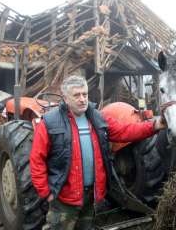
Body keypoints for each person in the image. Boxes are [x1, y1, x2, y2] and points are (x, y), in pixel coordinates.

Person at [30, 75, 166, 230]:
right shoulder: (50, 122)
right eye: (76, 95)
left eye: (85, 94)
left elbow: (124, 131)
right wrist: (45, 192)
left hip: (90, 196)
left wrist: (154, 125)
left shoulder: (97, 117)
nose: (82, 99)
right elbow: (37, 159)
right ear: (66, 99)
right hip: (64, 199)